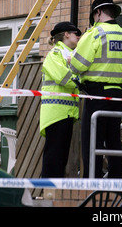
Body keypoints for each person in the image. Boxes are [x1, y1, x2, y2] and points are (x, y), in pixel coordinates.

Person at [70, 0, 122, 178]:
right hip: (117, 95)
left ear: (97, 13)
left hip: (96, 95)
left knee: (92, 142)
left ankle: (93, 182)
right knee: (114, 140)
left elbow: (77, 65)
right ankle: (115, 180)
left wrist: (71, 59)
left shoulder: (95, 33)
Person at [40, 21, 81, 178]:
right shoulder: (55, 54)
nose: (79, 36)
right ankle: (49, 192)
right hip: (56, 113)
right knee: (54, 157)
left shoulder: (69, 55)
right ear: (66, 34)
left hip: (66, 113)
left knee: (61, 157)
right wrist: (81, 79)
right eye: (76, 33)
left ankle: (56, 194)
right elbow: (66, 79)